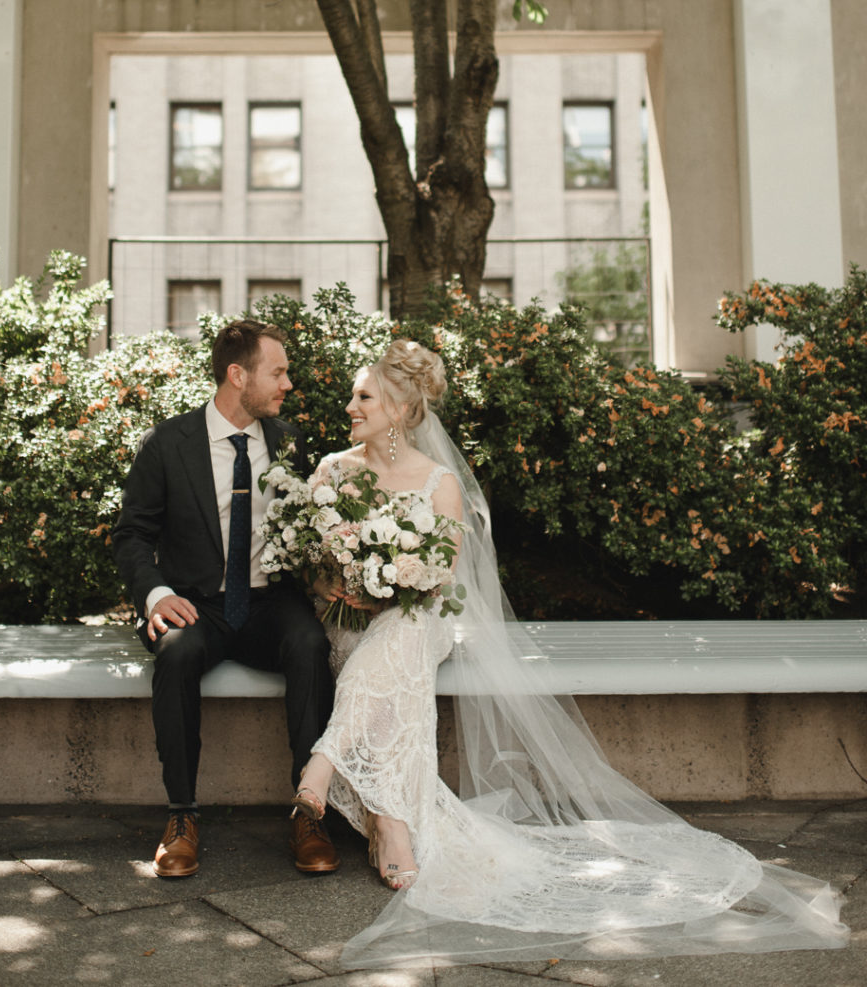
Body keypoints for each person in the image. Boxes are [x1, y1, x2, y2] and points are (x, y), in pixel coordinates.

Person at [286, 339, 849, 969]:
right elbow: (312, 564)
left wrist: (390, 583)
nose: (350, 405)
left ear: (398, 407)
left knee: (400, 639)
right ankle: (390, 820)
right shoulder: (332, 472)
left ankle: (324, 764)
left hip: (419, 617)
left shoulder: (439, 483)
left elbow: (438, 580)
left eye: (363, 396)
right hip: (352, 620)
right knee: (377, 660)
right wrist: (337, 585)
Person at [113, 318, 338, 880]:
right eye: (278, 372)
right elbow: (132, 534)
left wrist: (322, 579)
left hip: (270, 603)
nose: (288, 384)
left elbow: (305, 530)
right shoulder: (169, 443)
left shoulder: (288, 442)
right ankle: (182, 817)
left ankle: (308, 813)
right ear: (238, 375)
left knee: (311, 643)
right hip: (196, 604)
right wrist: (156, 594)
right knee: (178, 652)